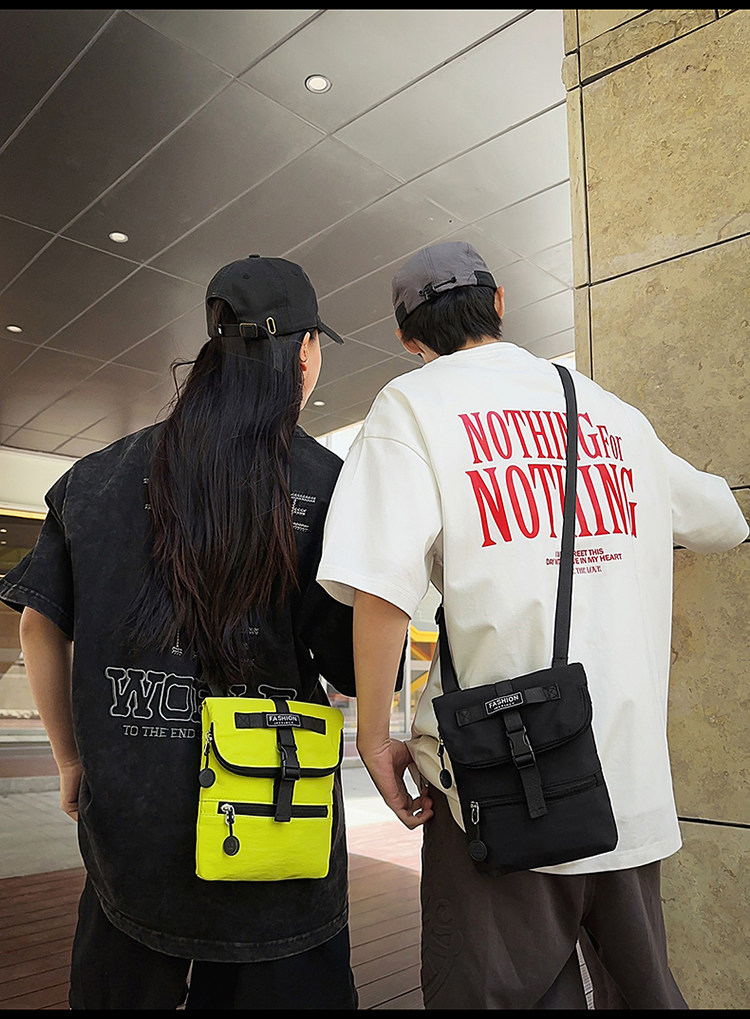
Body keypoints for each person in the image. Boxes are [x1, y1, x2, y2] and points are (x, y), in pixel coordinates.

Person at [316, 240, 749, 1009]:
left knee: (490, 992)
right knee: (644, 992)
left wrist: (374, 735)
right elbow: (722, 517)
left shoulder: (413, 406)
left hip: (502, 784)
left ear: (408, 339)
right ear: (500, 302)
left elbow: (381, 585)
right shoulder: (610, 414)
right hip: (627, 786)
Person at [0, 255, 360, 1010]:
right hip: (273, 825)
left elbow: (38, 623)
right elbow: (352, 663)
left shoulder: (96, 477)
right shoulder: (328, 485)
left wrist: (70, 759)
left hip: (133, 825)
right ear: (304, 352)